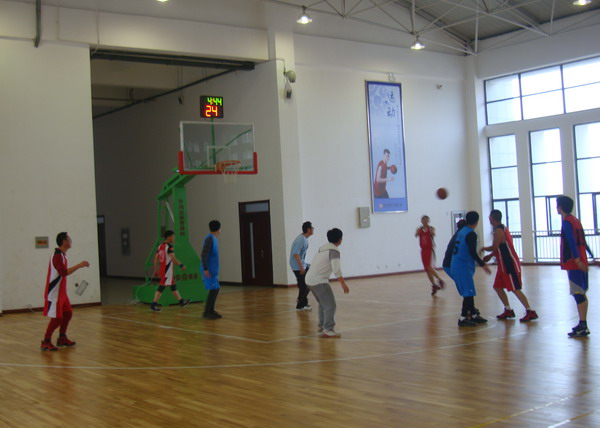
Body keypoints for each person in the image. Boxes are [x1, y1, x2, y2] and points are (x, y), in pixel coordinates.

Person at [481, 210, 538, 322]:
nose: (489, 219)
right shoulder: (501, 229)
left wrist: (483, 249)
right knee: (497, 287)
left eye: (489, 217)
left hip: (509, 264)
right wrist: (490, 256)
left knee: (515, 289)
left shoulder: (499, 230)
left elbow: (494, 246)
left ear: (492, 218)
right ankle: (508, 310)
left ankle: (530, 311)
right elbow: (499, 247)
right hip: (502, 265)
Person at [41, 232, 89, 351]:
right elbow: (63, 273)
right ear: (64, 241)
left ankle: (62, 338)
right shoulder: (57, 256)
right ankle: (46, 341)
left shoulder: (63, 255)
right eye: (69, 239)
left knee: (68, 313)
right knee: (57, 318)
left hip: (61, 293)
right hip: (54, 293)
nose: (71, 240)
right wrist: (80, 265)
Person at [305, 228, 350, 338]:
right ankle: (328, 329)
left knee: (323, 304)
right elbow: (336, 269)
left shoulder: (323, 249)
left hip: (309, 279)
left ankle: (322, 327)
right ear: (340, 240)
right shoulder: (333, 251)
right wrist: (343, 284)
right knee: (330, 305)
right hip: (318, 281)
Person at [450, 211, 492, 327]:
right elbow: (472, 252)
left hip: (457, 265)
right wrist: (483, 264)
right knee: (468, 293)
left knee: (469, 292)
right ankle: (463, 318)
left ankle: (473, 315)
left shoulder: (462, 231)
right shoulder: (471, 234)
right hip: (462, 267)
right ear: (477, 221)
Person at [556, 196, 590, 337]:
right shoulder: (576, 220)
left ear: (561, 207)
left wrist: (576, 260)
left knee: (578, 293)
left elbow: (571, 241)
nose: (556, 207)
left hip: (574, 263)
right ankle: (583, 324)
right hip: (582, 260)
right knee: (581, 293)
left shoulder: (566, 222)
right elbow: (583, 241)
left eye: (557, 205)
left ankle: (583, 325)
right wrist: (590, 256)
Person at [150, 230, 191, 312]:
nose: (174, 238)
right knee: (162, 286)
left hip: (163, 270)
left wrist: (155, 269)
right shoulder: (169, 247)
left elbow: (156, 258)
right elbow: (173, 259)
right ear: (169, 237)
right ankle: (154, 304)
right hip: (167, 271)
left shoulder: (160, 246)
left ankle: (181, 301)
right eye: (173, 236)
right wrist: (181, 265)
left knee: (173, 285)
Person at [416, 215, 445, 295]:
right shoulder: (419, 229)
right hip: (423, 250)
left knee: (429, 267)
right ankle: (434, 285)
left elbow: (434, 234)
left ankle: (440, 280)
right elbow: (416, 235)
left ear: (429, 221)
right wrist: (417, 232)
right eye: (424, 220)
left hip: (430, 250)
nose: (425, 221)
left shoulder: (431, 228)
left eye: (427, 220)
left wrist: (432, 232)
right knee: (427, 270)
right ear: (421, 221)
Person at [290, 221, 314, 311]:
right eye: (312, 228)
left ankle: (302, 301)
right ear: (308, 229)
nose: (313, 229)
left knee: (308, 283)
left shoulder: (304, 239)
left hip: (302, 264)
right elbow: (295, 254)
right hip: (296, 266)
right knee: (304, 285)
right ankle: (300, 305)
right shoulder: (301, 240)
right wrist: (301, 267)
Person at [201, 220, 222, 320]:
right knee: (213, 290)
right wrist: (205, 268)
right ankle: (207, 312)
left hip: (213, 269)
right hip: (208, 269)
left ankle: (211, 310)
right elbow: (204, 254)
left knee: (216, 289)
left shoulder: (214, 238)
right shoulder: (209, 239)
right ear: (218, 229)